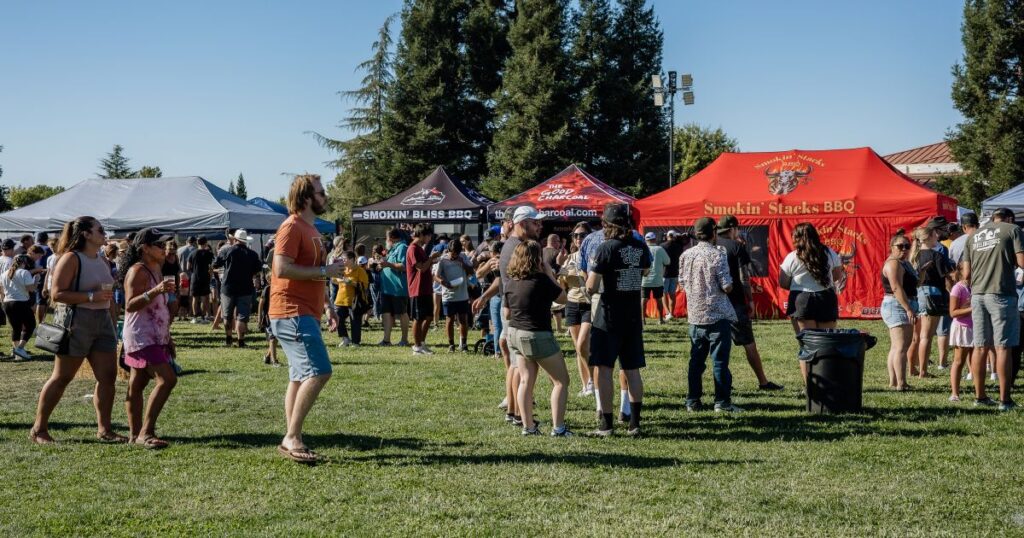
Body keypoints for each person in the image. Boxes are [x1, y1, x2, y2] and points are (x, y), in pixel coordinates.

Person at [270, 174, 345, 463]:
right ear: (305, 198)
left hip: (305, 311)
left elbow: (313, 271)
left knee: (299, 376)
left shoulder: (310, 229)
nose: (325, 196)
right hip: (291, 311)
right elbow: (282, 268)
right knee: (320, 371)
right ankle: (292, 436)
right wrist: (326, 272)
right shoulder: (291, 227)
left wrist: (328, 306)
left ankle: (292, 436)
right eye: (321, 192)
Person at [30, 217, 123, 445]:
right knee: (62, 377)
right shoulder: (71, 258)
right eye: (99, 229)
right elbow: (56, 294)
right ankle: (39, 429)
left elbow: (107, 293)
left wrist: (112, 318)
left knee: (108, 377)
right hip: (77, 321)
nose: (104, 233)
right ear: (86, 234)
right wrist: (91, 296)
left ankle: (105, 429)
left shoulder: (101, 258)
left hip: (102, 321)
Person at [586, 203, 651, 436]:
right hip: (633, 316)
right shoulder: (640, 246)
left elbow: (592, 286)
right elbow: (644, 271)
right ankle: (635, 424)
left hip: (609, 316)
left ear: (607, 225)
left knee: (604, 370)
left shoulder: (605, 248)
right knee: (632, 370)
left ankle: (606, 425)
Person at [504, 240, 572, 436]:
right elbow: (562, 298)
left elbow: (507, 313)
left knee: (525, 381)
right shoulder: (541, 281)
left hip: (515, 334)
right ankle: (558, 428)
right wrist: (550, 274)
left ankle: (528, 427)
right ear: (536, 259)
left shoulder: (510, 282)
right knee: (561, 381)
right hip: (537, 334)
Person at [121, 228, 178, 449]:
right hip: (141, 335)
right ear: (145, 248)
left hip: (155, 334)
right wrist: (156, 290)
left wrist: (168, 336)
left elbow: (160, 307)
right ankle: (146, 432)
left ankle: (135, 434)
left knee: (138, 383)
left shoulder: (156, 268)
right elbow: (130, 305)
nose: (164, 249)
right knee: (167, 379)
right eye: (159, 245)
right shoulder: (138, 271)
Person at [962, 207, 1024, 410]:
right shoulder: (1012, 229)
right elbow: (1022, 262)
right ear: (1008, 218)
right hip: (1001, 293)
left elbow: (966, 274)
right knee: (1003, 346)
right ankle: (1005, 400)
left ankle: (980, 397)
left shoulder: (973, 236)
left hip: (977, 295)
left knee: (980, 347)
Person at [681, 217, 742, 413]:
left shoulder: (686, 255)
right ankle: (722, 402)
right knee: (720, 362)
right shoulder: (718, 255)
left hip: (695, 316)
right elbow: (727, 285)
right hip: (717, 314)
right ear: (714, 232)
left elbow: (682, 283)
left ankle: (693, 400)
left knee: (696, 362)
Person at [715, 215, 783, 391]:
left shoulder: (711, 245)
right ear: (733, 229)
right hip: (735, 301)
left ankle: (723, 382)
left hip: (715, 301)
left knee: (718, 344)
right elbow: (744, 277)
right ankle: (763, 381)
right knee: (748, 343)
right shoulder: (737, 246)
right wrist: (750, 300)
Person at [779, 222, 845, 384]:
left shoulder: (792, 257)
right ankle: (827, 382)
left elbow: (783, 282)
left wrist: (798, 285)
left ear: (797, 238)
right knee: (826, 344)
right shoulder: (829, 253)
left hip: (801, 300)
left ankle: (810, 386)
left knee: (807, 346)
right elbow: (837, 275)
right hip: (826, 298)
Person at [908, 226, 954, 378]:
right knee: (926, 336)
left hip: (916, 296)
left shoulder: (913, 256)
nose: (938, 237)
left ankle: (912, 368)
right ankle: (923, 371)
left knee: (917, 336)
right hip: (932, 295)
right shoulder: (936, 256)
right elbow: (948, 277)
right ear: (928, 238)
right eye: (935, 235)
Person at [559, 222, 593, 396]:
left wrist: (581, 273)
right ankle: (585, 384)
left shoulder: (594, 255)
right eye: (576, 235)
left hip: (589, 304)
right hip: (572, 303)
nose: (579, 238)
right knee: (578, 348)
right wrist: (561, 269)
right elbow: (563, 285)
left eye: (582, 235)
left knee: (582, 345)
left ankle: (593, 381)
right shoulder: (569, 257)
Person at [880, 233, 918, 391]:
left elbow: (913, 283)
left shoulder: (904, 263)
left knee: (896, 347)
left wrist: (922, 272)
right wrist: (908, 308)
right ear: (891, 247)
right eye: (900, 246)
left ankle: (894, 382)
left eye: (907, 246)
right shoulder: (893, 263)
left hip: (900, 304)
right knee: (902, 347)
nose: (904, 249)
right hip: (898, 305)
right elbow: (896, 288)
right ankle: (901, 383)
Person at [213, 229, 263, 348]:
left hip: (228, 288)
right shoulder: (252, 254)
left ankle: (228, 340)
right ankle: (241, 341)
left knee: (227, 315)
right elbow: (257, 269)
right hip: (245, 288)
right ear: (245, 241)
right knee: (242, 316)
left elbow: (216, 264)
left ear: (234, 239)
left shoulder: (226, 250)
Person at [406, 224, 440, 355]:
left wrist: (432, 260)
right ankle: (416, 346)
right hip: (417, 289)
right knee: (418, 318)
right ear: (421, 235)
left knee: (429, 317)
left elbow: (425, 265)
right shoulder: (413, 248)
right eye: (428, 235)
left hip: (425, 288)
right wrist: (431, 258)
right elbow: (421, 268)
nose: (430, 238)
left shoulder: (420, 248)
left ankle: (422, 343)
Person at [435, 239, 473, 352]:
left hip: (462, 294)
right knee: (449, 319)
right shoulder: (443, 260)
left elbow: (472, 271)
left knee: (463, 319)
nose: (454, 256)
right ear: (449, 251)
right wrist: (444, 283)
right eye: (452, 253)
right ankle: (451, 344)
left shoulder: (463, 257)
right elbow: (436, 276)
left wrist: (463, 263)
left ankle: (464, 344)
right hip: (448, 295)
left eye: (456, 253)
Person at [1, 254, 38, 360]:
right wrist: (36, 280)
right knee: (30, 325)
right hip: (20, 302)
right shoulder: (24, 272)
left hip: (7, 303)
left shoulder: (4, 273)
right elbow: (31, 289)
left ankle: (17, 353)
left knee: (16, 328)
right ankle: (20, 349)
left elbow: (1, 290)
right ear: (24, 263)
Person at [379, 228, 410, 347]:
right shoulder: (392, 249)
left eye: (386, 238)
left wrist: (388, 264)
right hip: (387, 288)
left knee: (402, 313)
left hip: (398, 288)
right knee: (386, 313)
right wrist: (381, 266)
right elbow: (389, 264)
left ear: (391, 238)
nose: (386, 240)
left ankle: (404, 339)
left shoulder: (402, 247)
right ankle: (386, 340)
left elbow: (403, 266)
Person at [332, 251, 369, 347]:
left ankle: (356, 342)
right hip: (340, 300)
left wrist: (351, 283)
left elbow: (364, 286)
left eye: (344, 259)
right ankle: (345, 338)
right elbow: (334, 280)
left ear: (352, 259)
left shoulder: (360, 270)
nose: (343, 261)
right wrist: (340, 279)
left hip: (354, 301)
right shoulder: (341, 269)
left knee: (355, 321)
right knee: (337, 318)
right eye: (342, 259)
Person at [948, 262, 973, 402]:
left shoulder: (974, 287)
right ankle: (955, 393)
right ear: (962, 271)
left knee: (975, 361)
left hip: (975, 327)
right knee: (959, 361)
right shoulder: (958, 288)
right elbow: (953, 312)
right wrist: (971, 308)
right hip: (962, 328)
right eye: (970, 268)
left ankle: (979, 392)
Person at [641, 231, 670, 324]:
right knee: (659, 299)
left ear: (646, 240)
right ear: (654, 239)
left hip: (644, 280)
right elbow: (668, 261)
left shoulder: (642, 249)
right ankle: (661, 319)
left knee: (643, 299)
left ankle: (642, 320)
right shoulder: (659, 249)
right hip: (657, 279)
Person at [659, 230, 686, 320]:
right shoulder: (679, 246)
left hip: (664, 273)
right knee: (672, 294)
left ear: (667, 236)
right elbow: (684, 241)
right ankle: (671, 313)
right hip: (675, 272)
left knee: (664, 294)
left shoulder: (662, 245)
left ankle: (667, 313)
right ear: (674, 237)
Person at [189, 236, 215, 323]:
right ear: (206, 243)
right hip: (205, 277)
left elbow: (188, 267)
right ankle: (203, 318)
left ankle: (195, 318)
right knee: (204, 298)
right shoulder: (209, 254)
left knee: (195, 298)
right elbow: (211, 267)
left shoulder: (192, 253)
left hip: (194, 277)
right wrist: (210, 276)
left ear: (197, 243)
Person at [33, 231, 54, 324]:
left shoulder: (32, 248)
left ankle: (40, 322)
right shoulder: (48, 251)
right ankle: (41, 322)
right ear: (46, 240)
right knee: (42, 302)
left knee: (39, 301)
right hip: (44, 277)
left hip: (33, 277)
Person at [162, 241, 182, 322]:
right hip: (163, 285)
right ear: (165, 249)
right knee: (167, 308)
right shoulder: (163, 258)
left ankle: (167, 327)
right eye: (170, 249)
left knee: (174, 309)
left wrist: (179, 286)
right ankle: (164, 327)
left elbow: (177, 273)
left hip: (173, 285)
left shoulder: (176, 258)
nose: (172, 251)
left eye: (174, 249)